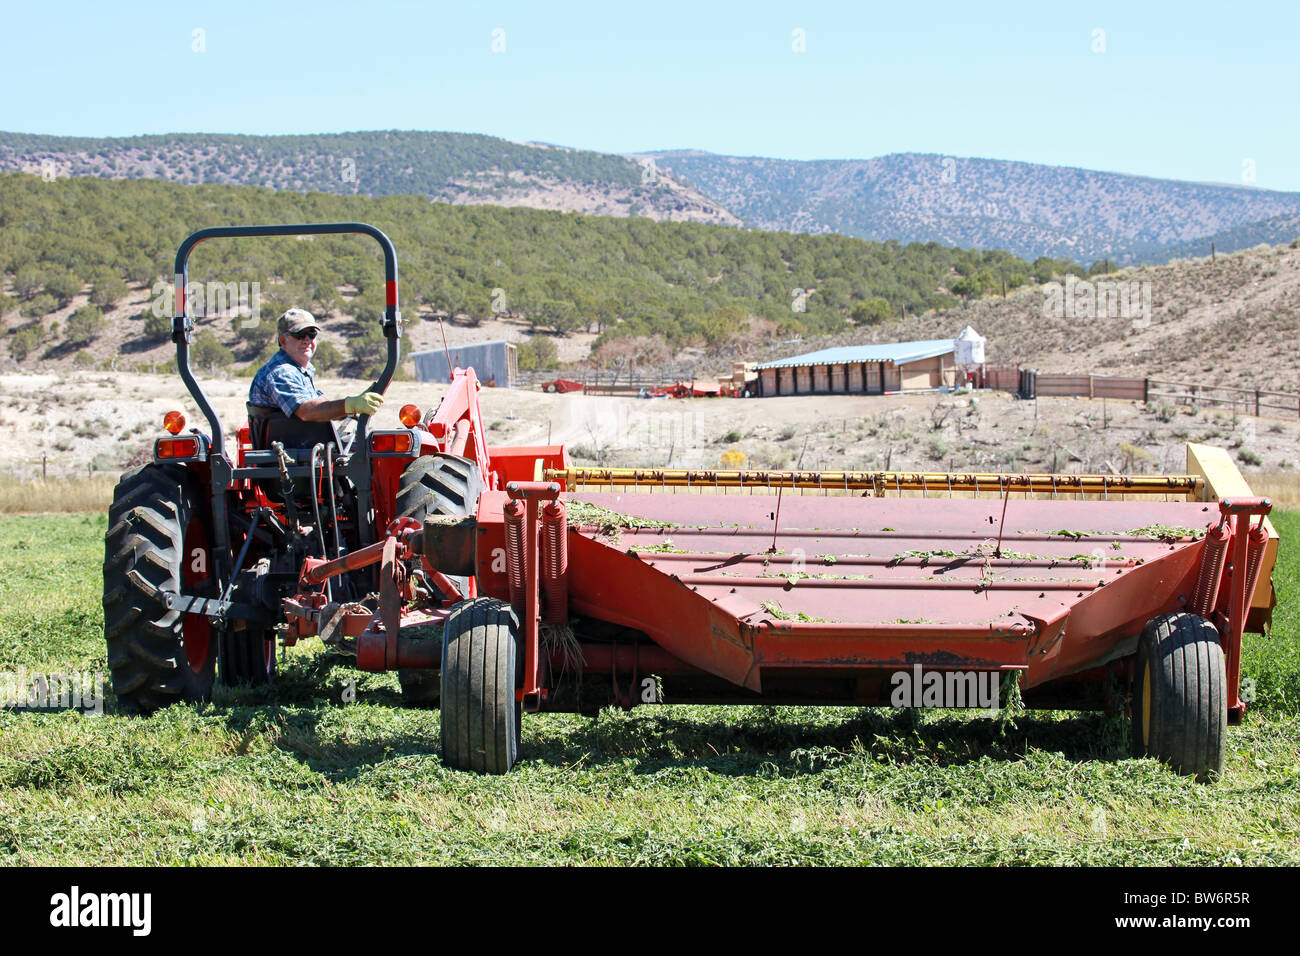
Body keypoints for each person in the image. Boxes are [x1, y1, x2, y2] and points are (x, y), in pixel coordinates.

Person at [249, 309, 384, 422]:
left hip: (301, 444)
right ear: (283, 341)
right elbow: (307, 411)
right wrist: (350, 405)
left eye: (312, 334)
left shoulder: (298, 370)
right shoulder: (282, 372)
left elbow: (321, 407)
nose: (307, 340)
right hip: (291, 448)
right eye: (300, 334)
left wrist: (354, 406)